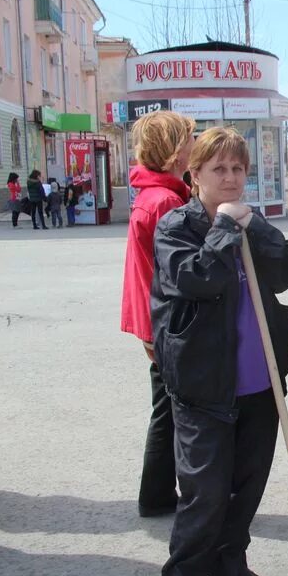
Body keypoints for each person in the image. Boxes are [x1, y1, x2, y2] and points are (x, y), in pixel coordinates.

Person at [152, 127, 288, 576]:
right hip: (204, 382)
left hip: (261, 378)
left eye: (238, 169)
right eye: (219, 169)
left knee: (248, 483)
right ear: (195, 176)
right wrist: (224, 230)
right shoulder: (176, 226)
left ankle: (230, 564)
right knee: (205, 491)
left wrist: (252, 227)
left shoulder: (253, 222)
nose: (231, 178)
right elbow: (195, 278)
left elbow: (284, 273)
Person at [120, 110, 195, 519]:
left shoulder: (158, 192)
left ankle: (158, 491)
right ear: (172, 150)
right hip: (165, 321)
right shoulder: (165, 199)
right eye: (188, 138)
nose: (193, 145)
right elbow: (178, 269)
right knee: (170, 410)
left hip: (155, 320)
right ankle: (156, 494)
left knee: (165, 405)